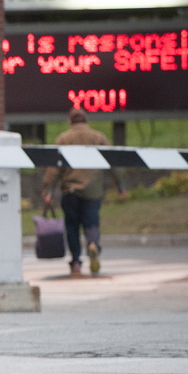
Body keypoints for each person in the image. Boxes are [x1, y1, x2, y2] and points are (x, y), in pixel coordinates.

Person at [42, 108, 126, 277]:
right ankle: (93, 244)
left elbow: (54, 168)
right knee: (91, 222)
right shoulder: (98, 137)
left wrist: (48, 189)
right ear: (86, 120)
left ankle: (75, 262)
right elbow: (113, 162)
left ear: (70, 120)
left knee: (72, 227)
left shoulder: (63, 139)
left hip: (70, 190)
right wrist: (121, 186)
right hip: (93, 190)